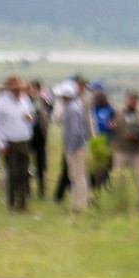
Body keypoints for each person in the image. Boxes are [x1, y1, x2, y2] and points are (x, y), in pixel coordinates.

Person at [0, 75, 36, 211]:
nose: (18, 91)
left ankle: (22, 202)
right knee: (13, 173)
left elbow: (32, 117)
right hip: (9, 142)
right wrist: (0, 143)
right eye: (15, 89)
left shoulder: (24, 101)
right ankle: (11, 202)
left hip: (24, 140)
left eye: (19, 88)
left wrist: (30, 118)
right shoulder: (0, 103)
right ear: (9, 89)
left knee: (24, 173)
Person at [112, 89, 139, 209]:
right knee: (119, 179)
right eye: (130, 99)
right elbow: (108, 126)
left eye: (135, 99)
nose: (132, 101)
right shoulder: (117, 112)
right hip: (121, 150)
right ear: (126, 99)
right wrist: (110, 126)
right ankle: (120, 202)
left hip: (137, 151)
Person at [54, 80, 90, 213]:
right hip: (76, 147)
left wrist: (70, 148)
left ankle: (80, 204)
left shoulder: (72, 109)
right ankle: (77, 203)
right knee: (75, 176)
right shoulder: (74, 106)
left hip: (76, 148)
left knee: (78, 176)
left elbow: (75, 131)